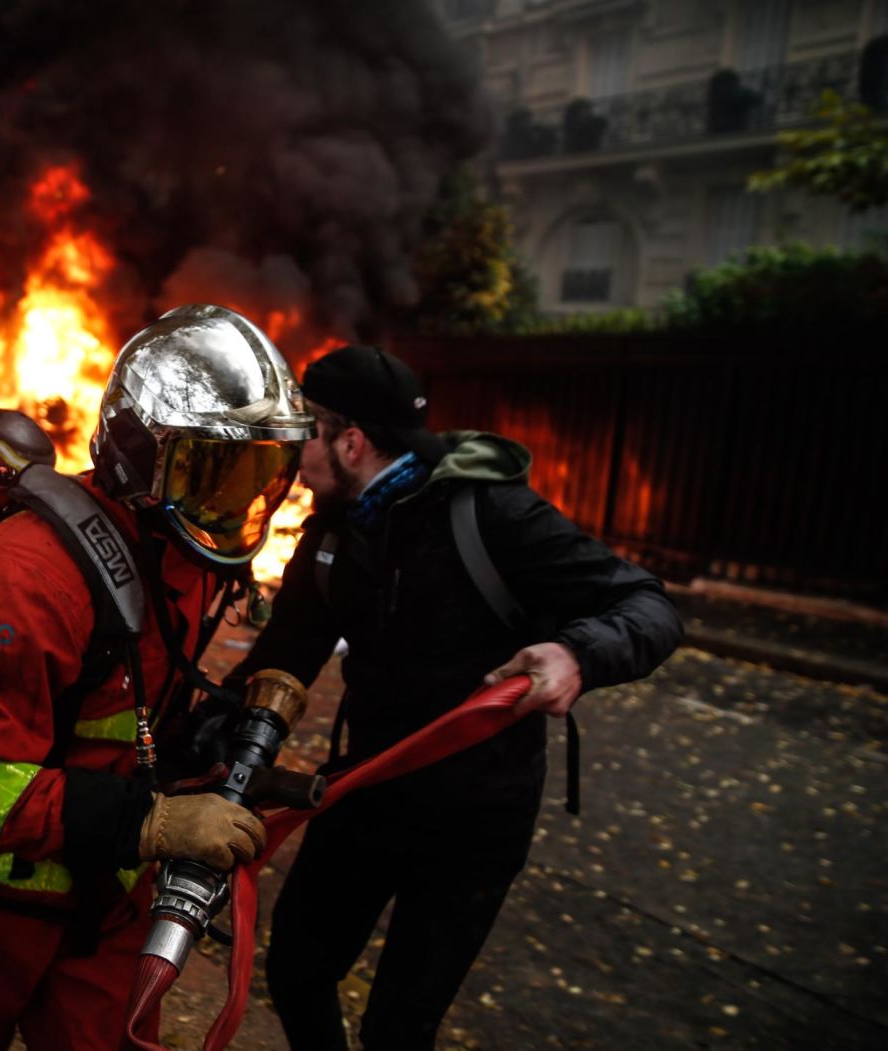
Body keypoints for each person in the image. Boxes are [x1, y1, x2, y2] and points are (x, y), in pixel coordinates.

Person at [0, 304, 314, 1051]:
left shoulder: (183, 558)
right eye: (217, 472)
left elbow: (132, 708)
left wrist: (204, 748)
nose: (236, 506)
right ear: (143, 452)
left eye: (256, 474)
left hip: (102, 897)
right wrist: (150, 822)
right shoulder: (18, 580)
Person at [233, 344, 684, 1050]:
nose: (291, 448)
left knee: (398, 1028)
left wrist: (577, 654)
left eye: (303, 428)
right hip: (371, 789)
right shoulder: (329, 535)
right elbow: (282, 657)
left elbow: (647, 603)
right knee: (295, 970)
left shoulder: (493, 515)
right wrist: (193, 744)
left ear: (348, 440)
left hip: (475, 822)